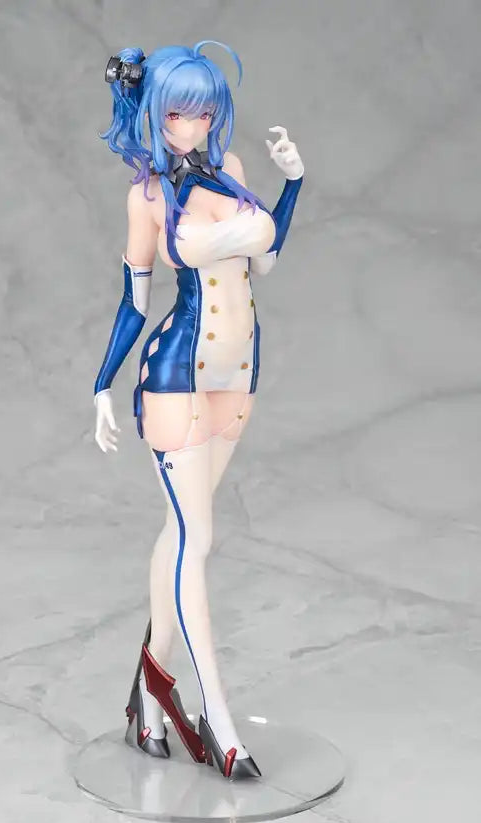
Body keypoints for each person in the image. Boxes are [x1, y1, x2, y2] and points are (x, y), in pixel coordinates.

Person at [93, 40, 304, 779]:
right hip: (176, 374)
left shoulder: (232, 169)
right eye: (180, 113)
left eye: (206, 111)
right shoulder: (147, 197)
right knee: (198, 536)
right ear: (154, 112)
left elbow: (266, 260)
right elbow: (134, 299)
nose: (195, 124)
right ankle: (217, 714)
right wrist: (101, 383)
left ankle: (149, 693)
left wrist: (293, 184)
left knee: (180, 535)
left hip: (239, 372)